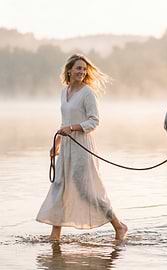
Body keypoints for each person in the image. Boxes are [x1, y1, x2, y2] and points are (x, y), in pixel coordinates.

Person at [36, 54, 128, 241]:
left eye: (84, 69)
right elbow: (65, 121)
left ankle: (119, 226)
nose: (82, 72)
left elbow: (94, 121)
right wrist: (57, 144)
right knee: (59, 187)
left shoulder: (87, 93)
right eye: (78, 68)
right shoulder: (64, 92)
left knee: (87, 190)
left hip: (82, 146)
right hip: (67, 147)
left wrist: (71, 128)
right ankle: (55, 235)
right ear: (69, 70)